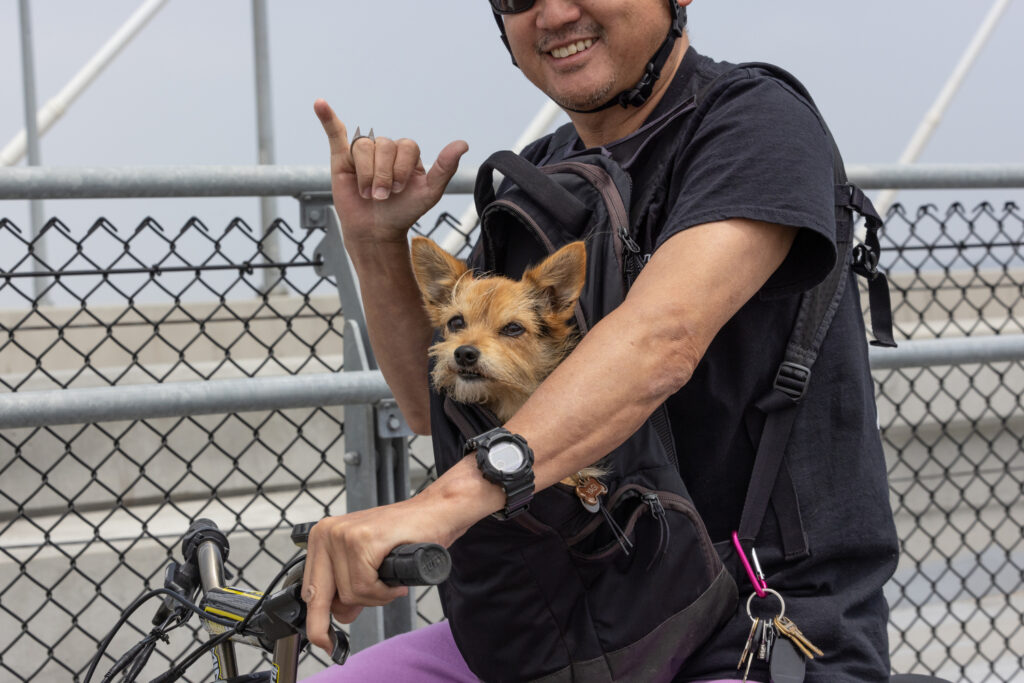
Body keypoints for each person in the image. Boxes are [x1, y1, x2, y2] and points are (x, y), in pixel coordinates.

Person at [301, 1, 899, 681]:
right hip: (561, 626)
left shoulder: (754, 125)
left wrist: (436, 507)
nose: (553, 13)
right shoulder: (542, 178)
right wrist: (377, 242)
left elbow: (661, 339)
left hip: (750, 630)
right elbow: (431, 405)